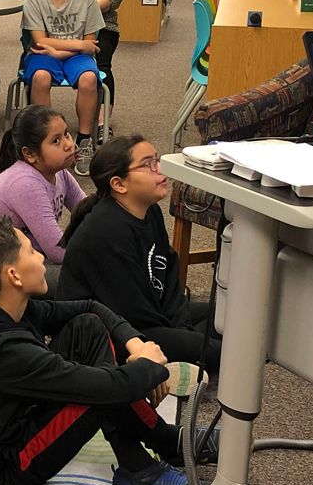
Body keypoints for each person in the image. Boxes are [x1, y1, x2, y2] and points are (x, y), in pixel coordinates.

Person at [0, 217, 197, 485]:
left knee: (88, 327)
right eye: (32, 251)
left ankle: (160, 449)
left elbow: (90, 308)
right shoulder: (5, 350)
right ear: (13, 276)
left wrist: (136, 345)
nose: (42, 256)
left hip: (8, 422)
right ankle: (145, 464)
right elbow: (110, 387)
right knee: (97, 391)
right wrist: (151, 367)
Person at [59, 136, 221, 375]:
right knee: (217, 349)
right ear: (119, 184)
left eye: (157, 160)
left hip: (147, 315)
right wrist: (184, 338)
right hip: (117, 334)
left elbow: (168, 270)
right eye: (148, 164)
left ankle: (190, 358)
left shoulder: (150, 210)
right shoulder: (105, 231)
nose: (160, 170)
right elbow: (132, 312)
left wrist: (181, 328)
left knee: (222, 315)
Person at [21, 0, 104, 176]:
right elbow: (39, 41)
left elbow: (92, 45)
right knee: (40, 77)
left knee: (89, 78)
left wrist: (61, 50)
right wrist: (77, 44)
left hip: (73, 56)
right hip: (44, 55)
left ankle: (85, 141)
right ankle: (45, 139)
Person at [0, 106, 85, 275]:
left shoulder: (61, 173)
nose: (68, 144)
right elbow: (58, 251)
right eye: (56, 141)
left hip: (26, 259)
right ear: (30, 154)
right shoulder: (25, 183)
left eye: (66, 134)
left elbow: (89, 214)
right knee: (89, 274)